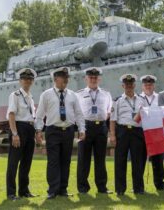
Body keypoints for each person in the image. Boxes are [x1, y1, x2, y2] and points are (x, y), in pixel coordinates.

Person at [35, 67, 85, 199]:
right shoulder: (46, 94)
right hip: (53, 131)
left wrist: (82, 129)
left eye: (67, 77)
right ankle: (52, 190)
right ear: (55, 78)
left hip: (68, 130)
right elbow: (39, 115)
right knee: (53, 161)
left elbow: (79, 114)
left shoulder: (73, 95)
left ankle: (63, 189)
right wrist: (39, 130)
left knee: (65, 161)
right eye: (64, 77)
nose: (66, 80)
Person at [76, 67, 113, 194]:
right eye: (91, 77)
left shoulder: (106, 94)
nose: (93, 79)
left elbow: (108, 111)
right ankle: (82, 188)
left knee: (100, 159)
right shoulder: (79, 94)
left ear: (99, 79)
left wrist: (100, 121)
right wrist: (82, 128)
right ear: (86, 78)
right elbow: (77, 113)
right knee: (83, 159)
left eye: (95, 77)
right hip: (85, 127)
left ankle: (102, 187)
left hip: (101, 128)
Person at [109, 74, 147, 196]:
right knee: (120, 161)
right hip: (123, 131)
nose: (129, 87)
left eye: (131, 84)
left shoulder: (142, 99)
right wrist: (113, 135)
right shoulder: (117, 101)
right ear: (123, 86)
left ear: (134, 85)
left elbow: (147, 117)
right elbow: (112, 120)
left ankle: (139, 188)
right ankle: (120, 189)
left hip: (137, 132)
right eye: (126, 85)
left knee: (138, 161)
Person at [6, 68, 37, 200]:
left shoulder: (30, 97)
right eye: (25, 79)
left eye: (30, 79)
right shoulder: (15, 95)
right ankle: (11, 193)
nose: (27, 81)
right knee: (13, 162)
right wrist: (14, 134)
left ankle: (24, 191)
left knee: (26, 162)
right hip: (19, 128)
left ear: (32, 81)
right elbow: (11, 115)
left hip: (30, 129)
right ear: (20, 81)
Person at [139, 75, 164, 191]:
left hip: (156, 131)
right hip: (141, 131)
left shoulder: (160, 97)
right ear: (142, 86)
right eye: (146, 85)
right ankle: (138, 185)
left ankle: (160, 185)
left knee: (158, 160)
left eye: (150, 84)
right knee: (139, 159)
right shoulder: (137, 97)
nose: (148, 86)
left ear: (153, 85)